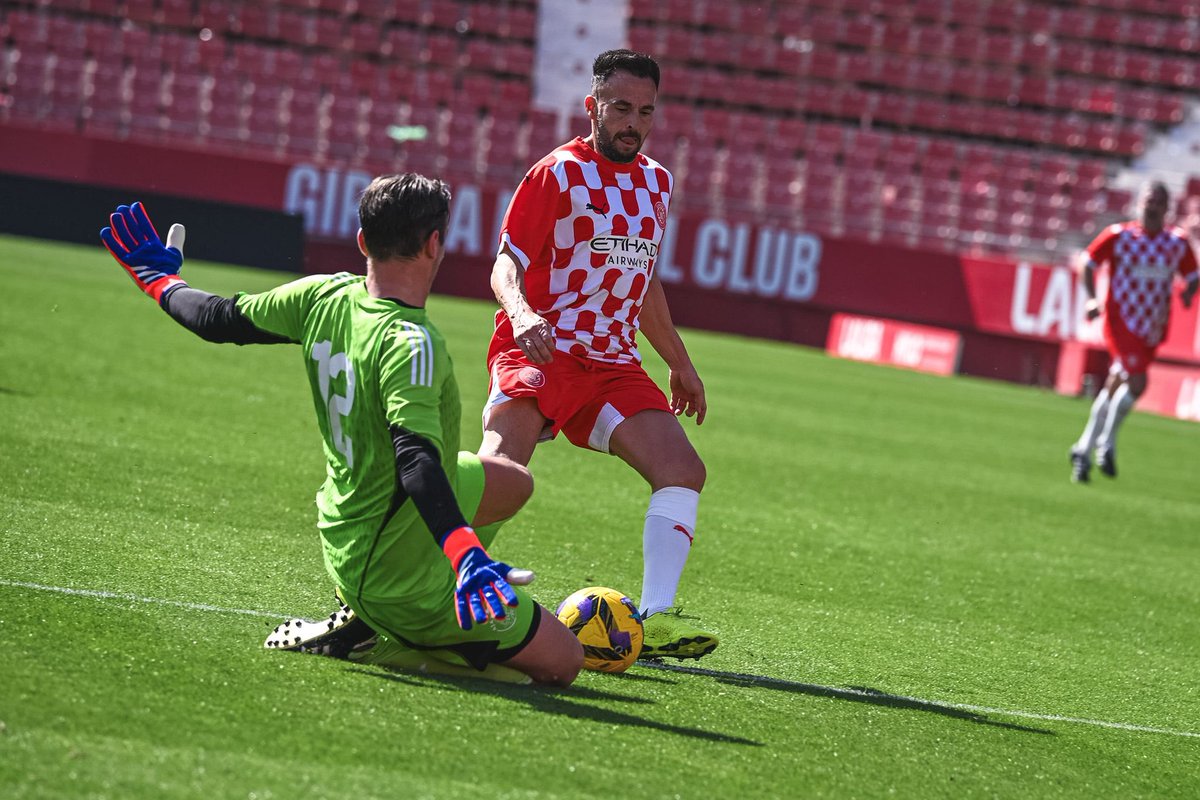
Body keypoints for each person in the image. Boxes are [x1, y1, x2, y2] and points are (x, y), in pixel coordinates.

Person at [98, 176, 583, 685]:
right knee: (564, 663)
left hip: (348, 530)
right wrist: (465, 553)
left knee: (513, 481)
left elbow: (218, 319)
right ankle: (383, 638)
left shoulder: (323, 295)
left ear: (362, 241)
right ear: (435, 243)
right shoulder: (411, 343)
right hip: (393, 579)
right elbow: (415, 459)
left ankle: (396, 599)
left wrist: (158, 279)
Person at [479, 48, 716, 660]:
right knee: (501, 472)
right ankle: (445, 589)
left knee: (683, 471)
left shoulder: (657, 182)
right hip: (544, 349)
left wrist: (679, 363)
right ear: (593, 106)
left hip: (613, 363)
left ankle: (657, 619)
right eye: (620, 108)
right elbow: (507, 264)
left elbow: (644, 281)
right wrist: (524, 313)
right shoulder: (555, 174)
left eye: (645, 111)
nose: (632, 122)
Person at [1069, 180, 1199, 482]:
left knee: (1115, 384)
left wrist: (1190, 292)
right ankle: (1106, 444)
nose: (1152, 206)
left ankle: (1082, 448)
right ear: (1139, 203)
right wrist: (1091, 298)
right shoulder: (1119, 236)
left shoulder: (1177, 242)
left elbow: (1193, 275)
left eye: (1158, 202)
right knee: (1138, 384)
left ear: (1167, 208)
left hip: (1152, 327)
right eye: (1148, 200)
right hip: (1121, 321)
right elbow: (1087, 261)